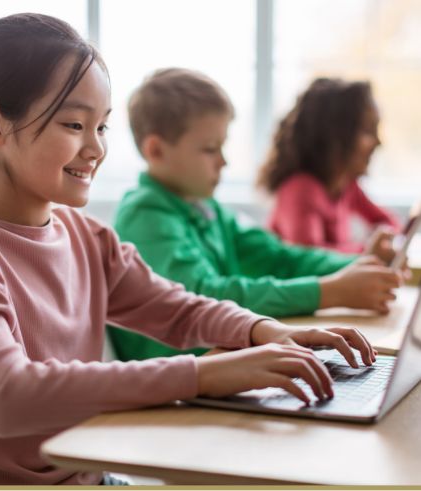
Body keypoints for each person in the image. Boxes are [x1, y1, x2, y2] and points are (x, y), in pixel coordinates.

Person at [0, 13, 378, 485]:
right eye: (75, 124)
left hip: (90, 479)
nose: (96, 148)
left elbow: (177, 308)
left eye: (102, 128)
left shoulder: (87, 238)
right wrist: (201, 375)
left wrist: (264, 331)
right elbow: (5, 399)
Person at [110, 68, 400, 362]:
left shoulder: (207, 208)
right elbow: (206, 297)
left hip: (220, 361)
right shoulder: (144, 213)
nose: (223, 161)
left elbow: (279, 257)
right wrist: (327, 292)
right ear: (156, 150)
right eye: (210, 149)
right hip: (176, 383)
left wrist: (363, 264)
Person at [256, 77, 401, 254]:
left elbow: (388, 222)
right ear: (335, 137)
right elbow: (310, 257)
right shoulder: (300, 190)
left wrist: (383, 241)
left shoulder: (346, 185)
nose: (378, 142)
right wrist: (368, 250)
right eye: (367, 131)